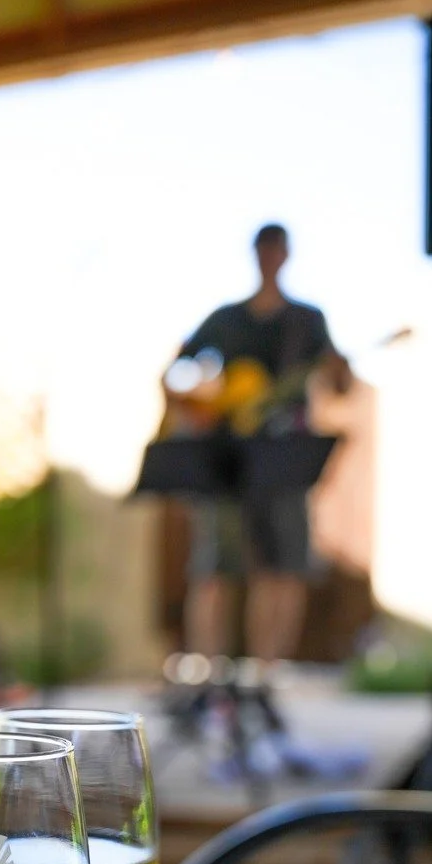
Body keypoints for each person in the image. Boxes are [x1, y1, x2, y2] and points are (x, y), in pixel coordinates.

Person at [168, 224, 352, 664]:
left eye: (277, 250)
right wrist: (197, 408)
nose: (271, 257)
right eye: (265, 249)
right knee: (215, 565)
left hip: (285, 453)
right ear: (256, 254)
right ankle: (208, 670)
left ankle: (267, 672)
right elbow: (174, 371)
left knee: (284, 567)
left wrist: (340, 371)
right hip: (228, 453)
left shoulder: (307, 321)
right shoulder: (227, 319)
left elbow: (340, 387)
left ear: (286, 256)